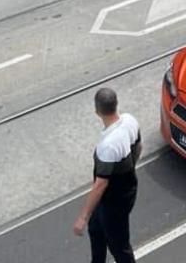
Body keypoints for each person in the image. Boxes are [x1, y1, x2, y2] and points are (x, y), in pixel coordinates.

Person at [73, 87, 141, 263]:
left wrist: (82, 217)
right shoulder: (130, 121)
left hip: (114, 201)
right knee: (95, 228)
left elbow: (100, 185)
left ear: (97, 112)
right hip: (125, 190)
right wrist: (129, 168)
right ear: (116, 104)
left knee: (118, 245)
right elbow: (139, 147)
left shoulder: (108, 146)